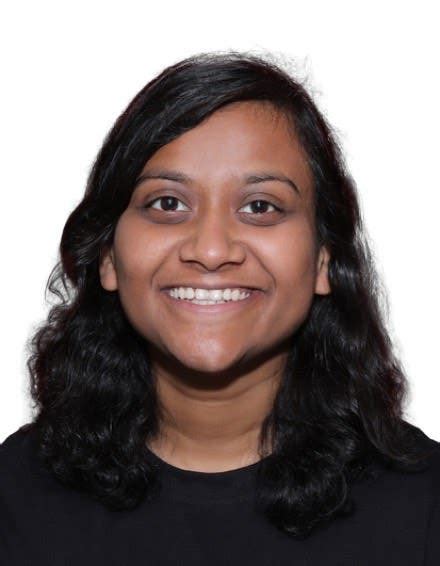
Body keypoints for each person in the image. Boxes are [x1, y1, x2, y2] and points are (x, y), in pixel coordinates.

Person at [0, 50, 439, 565]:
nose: (210, 250)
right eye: (167, 204)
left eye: (261, 207)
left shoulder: (425, 505)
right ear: (108, 257)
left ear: (323, 259)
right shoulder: (14, 497)